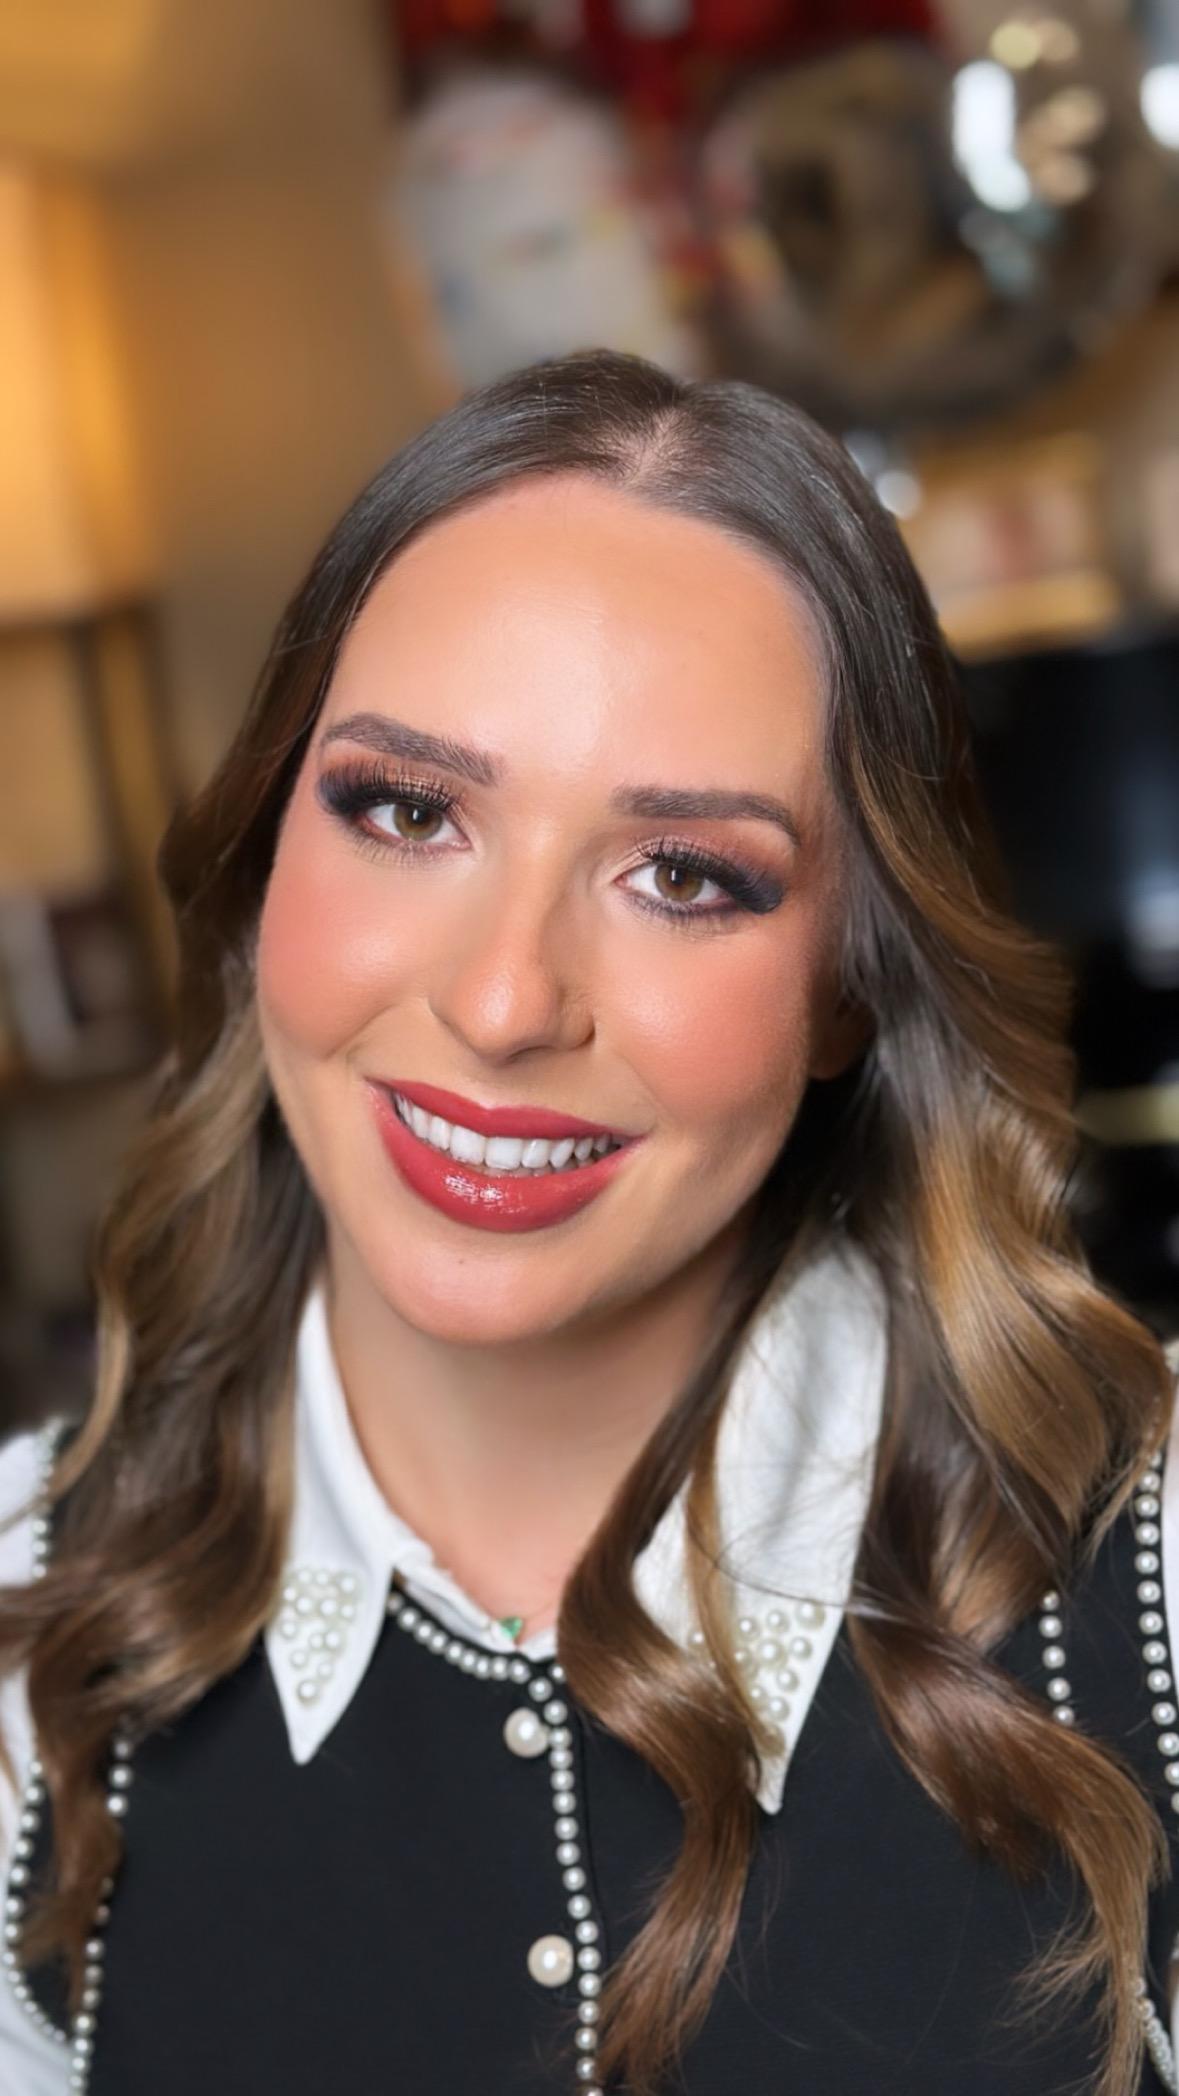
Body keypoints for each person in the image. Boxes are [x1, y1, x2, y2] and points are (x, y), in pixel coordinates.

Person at [0, 347, 1176, 2096]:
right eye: (409, 811)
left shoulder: (1155, 1578)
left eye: (684, 875)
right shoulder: (21, 1633)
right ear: (261, 865)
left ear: (851, 987)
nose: (501, 1004)